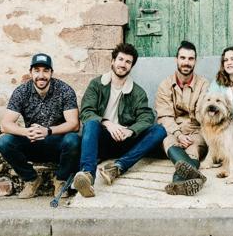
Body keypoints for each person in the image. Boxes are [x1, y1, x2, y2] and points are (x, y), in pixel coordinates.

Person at [72, 43, 167, 198]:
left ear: (131, 67)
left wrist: (130, 131)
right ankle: (88, 174)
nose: (123, 64)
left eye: (128, 62)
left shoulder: (138, 92)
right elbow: (86, 111)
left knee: (159, 130)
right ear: (113, 61)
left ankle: (118, 167)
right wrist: (107, 123)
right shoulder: (96, 84)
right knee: (91, 123)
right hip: (101, 140)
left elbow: (146, 116)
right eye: (120, 59)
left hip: (125, 141)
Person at [0, 53, 81, 199]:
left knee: (73, 140)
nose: (41, 75)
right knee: (4, 141)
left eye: (45, 71)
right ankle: (31, 180)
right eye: (37, 70)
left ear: (51, 73)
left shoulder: (64, 90)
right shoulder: (21, 92)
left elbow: (74, 124)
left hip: (57, 143)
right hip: (32, 141)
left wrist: (48, 131)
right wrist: (25, 132)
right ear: (31, 72)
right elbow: (5, 124)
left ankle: (61, 180)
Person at [155, 40, 209, 196]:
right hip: (174, 131)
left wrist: (189, 134)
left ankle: (177, 182)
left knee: (193, 149)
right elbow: (165, 116)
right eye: (183, 58)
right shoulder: (165, 85)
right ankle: (192, 176)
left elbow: (202, 112)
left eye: (190, 59)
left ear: (195, 61)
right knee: (167, 140)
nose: (186, 62)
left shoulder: (204, 84)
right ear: (176, 59)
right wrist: (178, 134)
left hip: (197, 130)